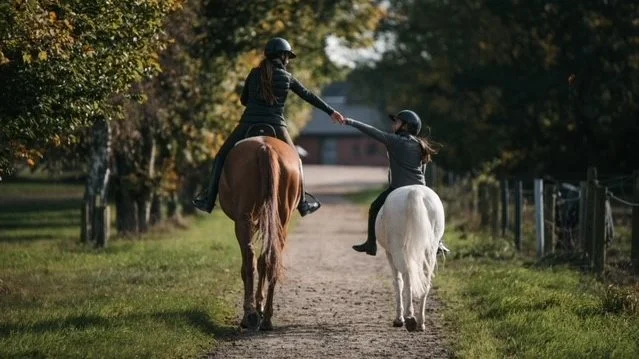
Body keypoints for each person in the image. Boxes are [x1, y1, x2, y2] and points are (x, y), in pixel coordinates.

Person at [192, 37, 345, 216]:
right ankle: (303, 204)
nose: (287, 60)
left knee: (220, 156)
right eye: (287, 57)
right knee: (296, 161)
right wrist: (331, 112)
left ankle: (208, 200)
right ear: (282, 56)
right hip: (276, 125)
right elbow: (308, 95)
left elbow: (243, 101)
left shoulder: (254, 73)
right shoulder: (287, 77)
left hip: (248, 123)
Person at [342, 110, 450, 256]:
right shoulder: (421, 144)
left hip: (397, 187)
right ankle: (438, 242)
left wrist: (350, 121)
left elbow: (373, 132)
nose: (394, 124)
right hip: (421, 186)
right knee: (434, 206)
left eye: (397, 122)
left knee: (374, 207)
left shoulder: (394, 140)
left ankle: (370, 243)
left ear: (405, 126)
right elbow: (422, 168)